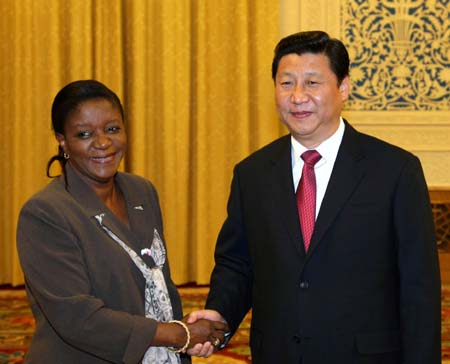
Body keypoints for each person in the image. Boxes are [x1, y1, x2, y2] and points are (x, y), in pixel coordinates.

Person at [188, 31, 441, 363]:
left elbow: (419, 287)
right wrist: (219, 313)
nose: (297, 96)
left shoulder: (395, 171)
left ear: (343, 87)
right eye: (286, 83)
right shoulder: (252, 173)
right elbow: (237, 263)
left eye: (312, 83)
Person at [16, 80, 227, 364]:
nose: (102, 142)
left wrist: (183, 333)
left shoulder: (142, 191)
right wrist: (179, 335)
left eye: (112, 129)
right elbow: (78, 318)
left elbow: (156, 281)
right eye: (84, 133)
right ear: (62, 140)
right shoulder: (45, 213)